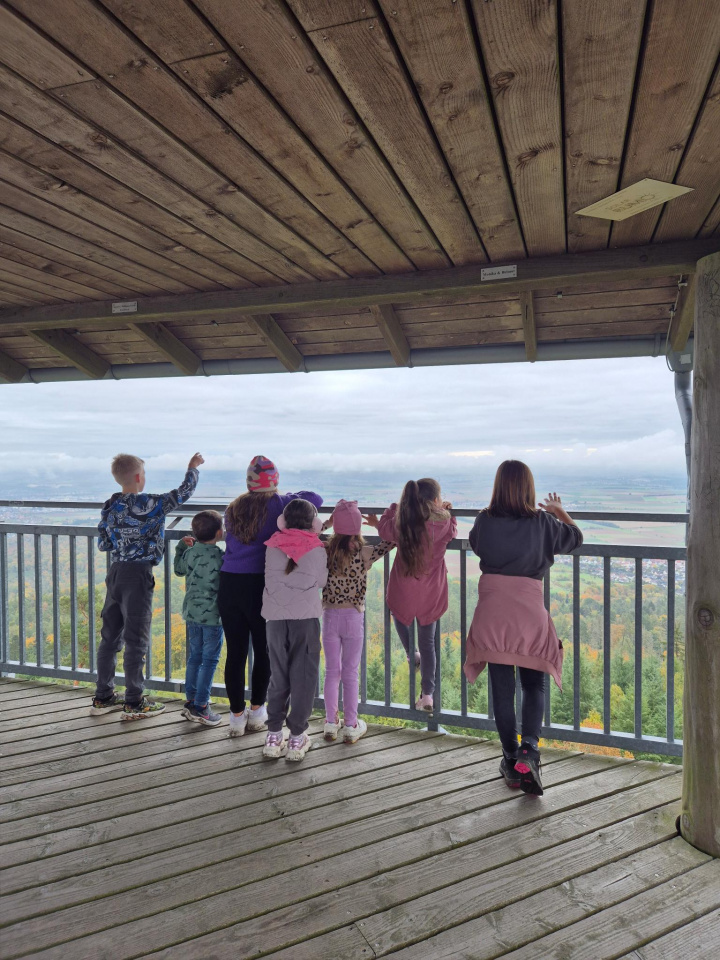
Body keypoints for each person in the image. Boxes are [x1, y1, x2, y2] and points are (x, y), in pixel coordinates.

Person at [464, 460, 583, 796]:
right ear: (530, 488)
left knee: (502, 689)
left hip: (492, 611)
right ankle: (528, 751)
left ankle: (509, 755)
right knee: (534, 683)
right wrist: (560, 512)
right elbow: (575, 539)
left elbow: (476, 545)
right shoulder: (543, 522)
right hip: (528, 611)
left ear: (498, 486)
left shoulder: (484, 520)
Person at [91, 451, 203, 719]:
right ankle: (134, 701)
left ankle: (103, 696)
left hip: (115, 574)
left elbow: (104, 543)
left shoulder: (110, 505)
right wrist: (193, 468)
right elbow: (183, 493)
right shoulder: (152, 503)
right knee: (136, 640)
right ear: (140, 477)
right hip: (139, 576)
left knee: (110, 637)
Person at [219, 456, 323, 737]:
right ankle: (257, 711)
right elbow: (315, 499)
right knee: (265, 651)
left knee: (236, 652)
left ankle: (236, 717)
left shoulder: (233, 507)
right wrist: (285, 493)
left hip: (229, 583)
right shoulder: (281, 504)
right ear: (274, 481)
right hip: (260, 586)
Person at [376, 479, 456, 712]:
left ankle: (413, 655)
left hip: (403, 590)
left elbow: (384, 529)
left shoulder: (402, 524)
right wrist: (447, 511)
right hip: (431, 594)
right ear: (435, 501)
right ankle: (428, 694)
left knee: (399, 617)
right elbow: (452, 528)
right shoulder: (444, 524)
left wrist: (393, 509)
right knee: (429, 642)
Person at [320, 500, 394, 743]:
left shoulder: (324, 550)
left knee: (332, 671)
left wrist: (326, 524)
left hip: (329, 615)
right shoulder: (364, 553)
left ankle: (331, 723)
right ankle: (351, 725)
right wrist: (380, 523)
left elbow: (309, 537)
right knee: (350, 672)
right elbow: (391, 541)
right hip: (353, 616)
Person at [261, 499, 328, 761]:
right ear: (314, 523)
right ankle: (297, 737)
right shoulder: (317, 548)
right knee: (303, 678)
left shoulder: (271, 546)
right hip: (306, 620)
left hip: (275, 620)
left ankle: (274, 734)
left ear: (283, 521)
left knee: (278, 676)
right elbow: (321, 581)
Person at [174, 510, 225, 727]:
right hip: (212, 616)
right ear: (220, 533)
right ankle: (202, 706)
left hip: (192, 614)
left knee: (195, 657)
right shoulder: (220, 557)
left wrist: (180, 547)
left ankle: (192, 699)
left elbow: (178, 569)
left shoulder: (191, 553)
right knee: (210, 660)